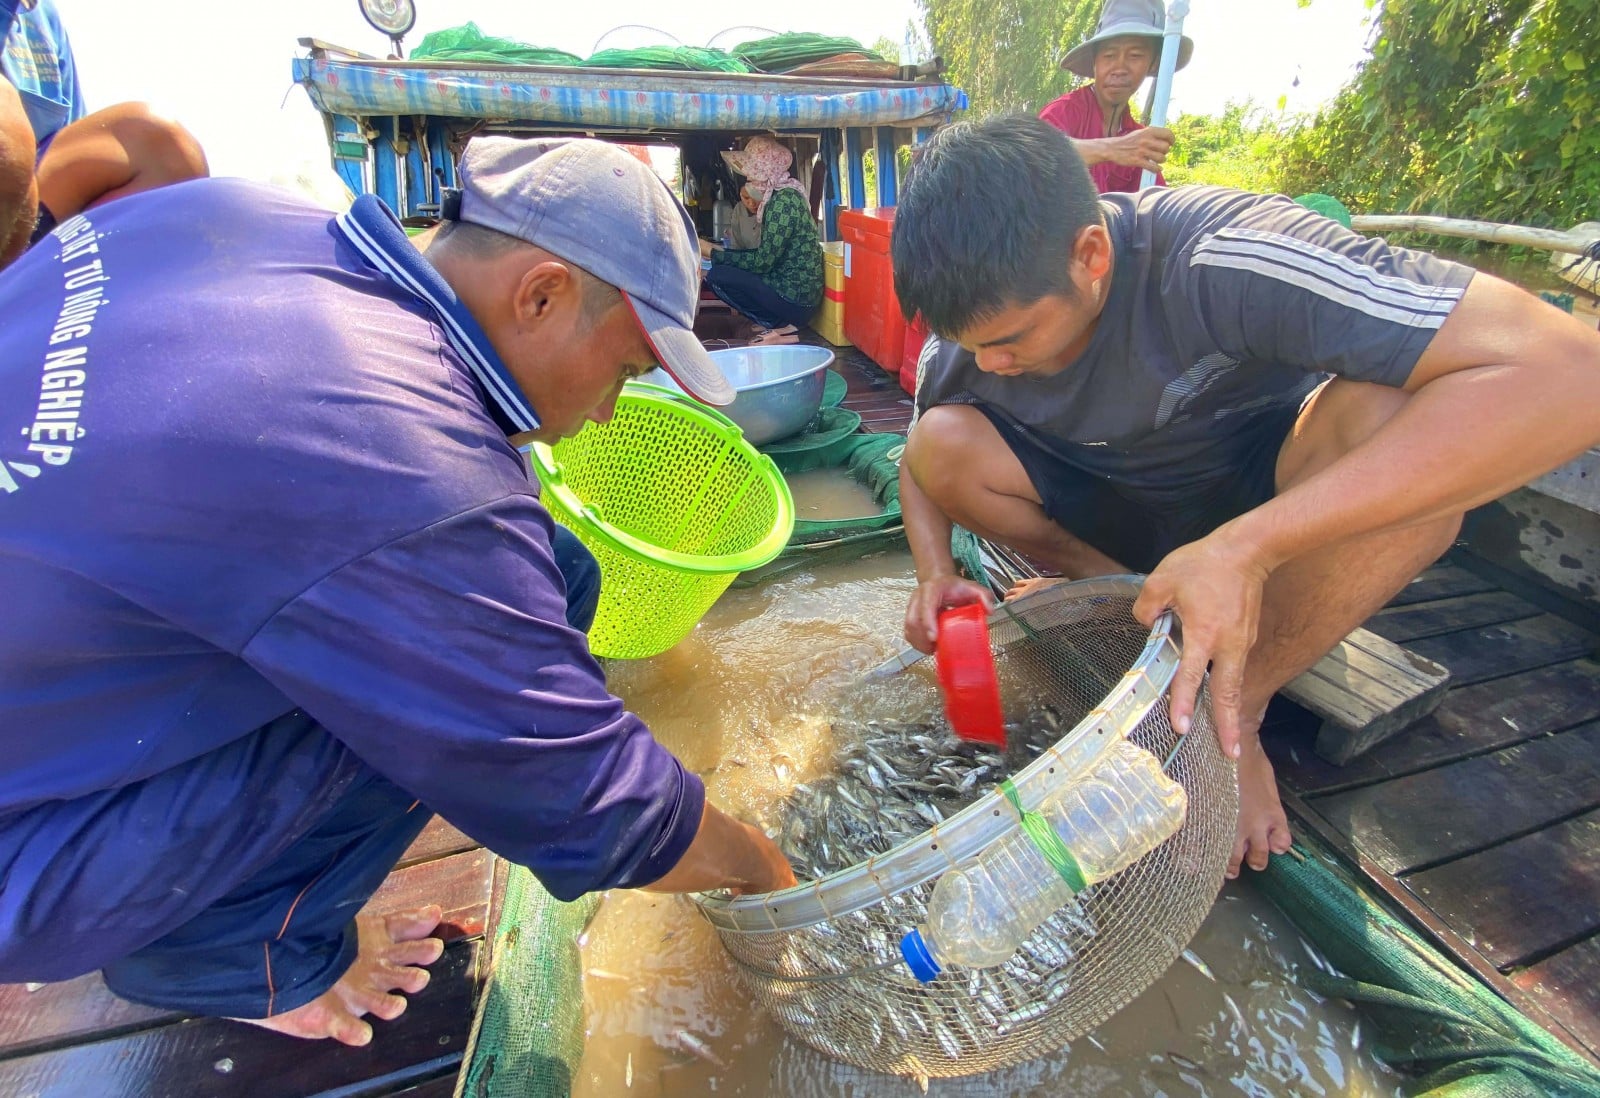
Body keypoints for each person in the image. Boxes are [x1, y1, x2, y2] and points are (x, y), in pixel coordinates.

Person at [0, 136, 795, 1046]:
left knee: (556, 572)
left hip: (54, 707)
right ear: (540, 295)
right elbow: (587, 793)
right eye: (623, 372)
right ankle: (235, 953)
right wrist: (765, 873)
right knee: (445, 681)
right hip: (27, 857)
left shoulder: (238, 214)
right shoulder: (407, 458)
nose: (609, 411)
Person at [890, 114, 1600, 879]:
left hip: (1259, 502)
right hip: (1117, 515)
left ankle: (1232, 715)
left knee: (1394, 421)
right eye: (972, 346)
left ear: (1090, 256)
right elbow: (919, 464)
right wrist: (935, 572)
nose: (989, 366)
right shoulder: (969, 342)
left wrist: (1246, 548)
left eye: (1011, 341)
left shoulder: (1221, 252)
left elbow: (1574, 374)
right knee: (942, 440)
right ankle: (1120, 596)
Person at [2, 0, 207, 259]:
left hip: (19, 230)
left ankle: (55, 276)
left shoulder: (42, 17)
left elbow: (74, 139)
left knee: (160, 147)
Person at [1037, 0, 1187, 193]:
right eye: (1109, 55)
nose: (1119, 68)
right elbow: (1033, 156)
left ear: (1153, 63)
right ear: (1095, 62)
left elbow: (1153, 200)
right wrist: (1111, 149)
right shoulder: (1064, 112)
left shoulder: (1138, 141)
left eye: (1135, 55)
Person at [701, 135, 823, 334]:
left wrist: (713, 253)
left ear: (765, 174)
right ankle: (778, 323)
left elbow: (762, 262)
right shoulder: (778, 198)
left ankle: (779, 325)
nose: (748, 181)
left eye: (751, 177)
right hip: (790, 289)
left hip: (797, 298)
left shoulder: (783, 202)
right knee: (723, 270)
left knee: (717, 276)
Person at [728, 181, 763, 250]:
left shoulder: (774, 209)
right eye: (746, 198)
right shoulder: (739, 209)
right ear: (740, 195)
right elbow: (736, 246)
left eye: (756, 197)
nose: (752, 203)